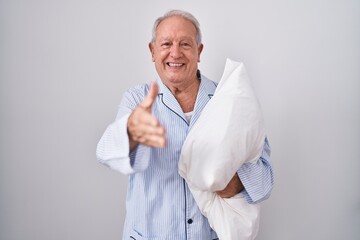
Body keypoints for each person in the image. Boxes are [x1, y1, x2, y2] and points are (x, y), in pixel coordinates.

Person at [96, 9, 273, 240]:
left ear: (199, 51)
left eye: (186, 45)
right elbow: (105, 152)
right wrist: (130, 132)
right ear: (152, 51)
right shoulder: (136, 100)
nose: (175, 53)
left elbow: (265, 179)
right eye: (166, 44)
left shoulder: (229, 99)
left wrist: (228, 181)